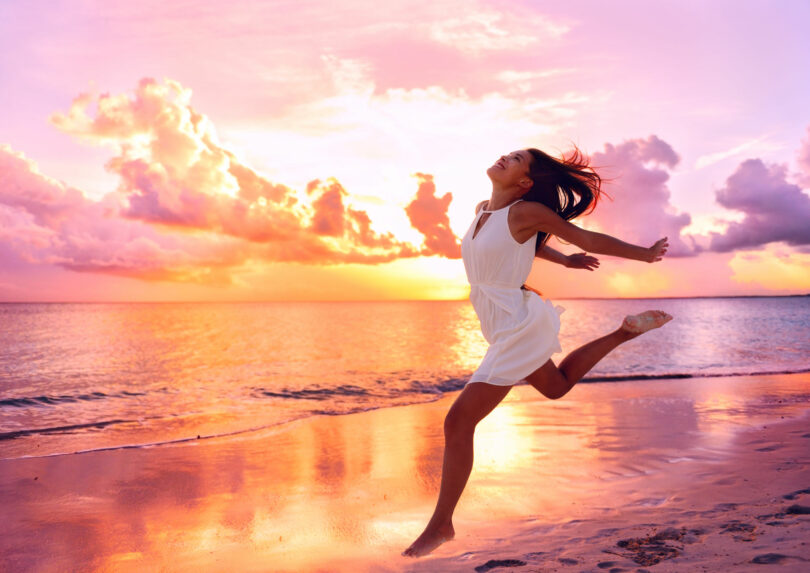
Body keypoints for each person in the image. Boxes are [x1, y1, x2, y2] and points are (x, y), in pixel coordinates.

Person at [402, 146, 673, 558]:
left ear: (526, 183)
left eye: (514, 161)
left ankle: (441, 525)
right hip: (497, 320)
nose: (503, 159)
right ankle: (623, 333)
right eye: (507, 154)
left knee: (458, 422)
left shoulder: (528, 211)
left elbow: (587, 237)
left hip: (514, 321)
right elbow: (516, 246)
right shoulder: (483, 209)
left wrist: (645, 254)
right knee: (556, 386)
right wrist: (563, 262)